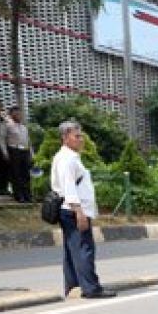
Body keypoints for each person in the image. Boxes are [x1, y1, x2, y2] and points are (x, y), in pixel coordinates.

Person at [51, 120, 115, 300]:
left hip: (71, 209)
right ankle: (91, 288)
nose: (81, 140)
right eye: (76, 136)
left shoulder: (68, 156)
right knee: (84, 249)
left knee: (73, 250)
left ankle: (74, 286)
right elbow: (69, 187)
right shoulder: (67, 159)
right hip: (74, 210)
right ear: (65, 138)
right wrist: (79, 212)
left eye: (81, 136)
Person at [4, 106, 34, 203]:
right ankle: (18, 195)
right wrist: (5, 152)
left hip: (24, 151)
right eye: (16, 113)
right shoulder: (7, 125)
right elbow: (2, 140)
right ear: (11, 114)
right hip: (14, 150)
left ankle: (27, 195)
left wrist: (32, 153)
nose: (18, 115)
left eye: (19, 113)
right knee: (16, 174)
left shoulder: (23, 127)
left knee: (25, 174)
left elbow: (28, 141)